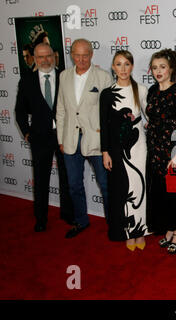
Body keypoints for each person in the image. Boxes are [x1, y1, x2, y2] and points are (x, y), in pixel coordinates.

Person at [56, 38, 113, 238]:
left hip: (96, 140)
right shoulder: (63, 76)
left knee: (106, 185)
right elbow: (61, 109)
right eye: (77, 55)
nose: (81, 59)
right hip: (70, 139)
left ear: (91, 55)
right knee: (74, 184)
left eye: (85, 55)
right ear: (72, 55)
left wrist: (106, 141)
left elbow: (109, 112)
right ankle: (81, 221)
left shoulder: (103, 77)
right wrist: (61, 139)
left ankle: (113, 223)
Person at [15, 42, 74, 232]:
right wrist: (26, 132)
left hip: (64, 136)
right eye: (40, 57)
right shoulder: (27, 81)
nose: (45, 60)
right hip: (40, 138)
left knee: (67, 177)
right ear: (34, 59)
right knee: (40, 180)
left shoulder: (66, 76)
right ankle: (41, 219)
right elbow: (19, 111)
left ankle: (68, 214)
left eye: (48, 56)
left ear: (54, 56)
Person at [100, 50, 150, 251]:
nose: (123, 68)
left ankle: (141, 230)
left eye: (126, 64)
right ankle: (128, 232)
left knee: (139, 188)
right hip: (116, 149)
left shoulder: (142, 89)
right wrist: (105, 152)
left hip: (138, 147)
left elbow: (150, 115)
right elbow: (103, 124)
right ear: (113, 67)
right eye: (118, 64)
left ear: (132, 66)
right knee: (123, 190)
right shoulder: (107, 94)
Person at [145, 49, 176, 254]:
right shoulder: (152, 91)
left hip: (172, 152)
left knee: (174, 195)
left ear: (171, 68)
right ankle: (169, 229)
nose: (158, 71)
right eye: (155, 67)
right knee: (161, 195)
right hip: (154, 150)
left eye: (162, 67)